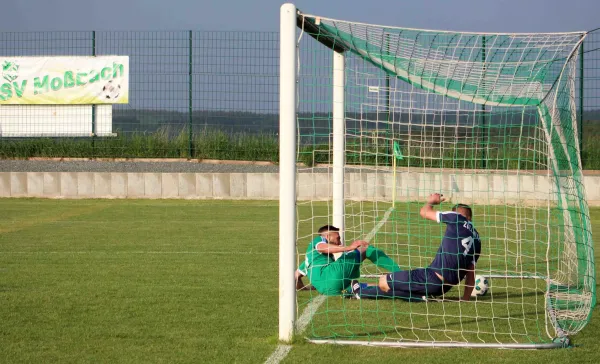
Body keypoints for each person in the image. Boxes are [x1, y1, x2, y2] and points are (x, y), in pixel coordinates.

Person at [352, 193, 481, 301]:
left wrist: (431, 201)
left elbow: (424, 212)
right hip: (443, 289)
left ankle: (361, 293)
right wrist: (465, 298)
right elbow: (471, 273)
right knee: (402, 287)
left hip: (431, 277)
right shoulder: (477, 239)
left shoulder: (456, 217)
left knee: (383, 281)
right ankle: (362, 291)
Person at [295, 225, 402, 296]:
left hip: (326, 290)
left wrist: (305, 288)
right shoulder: (319, 241)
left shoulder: (310, 260)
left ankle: (393, 288)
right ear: (327, 236)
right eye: (337, 238)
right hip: (331, 275)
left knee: (357, 286)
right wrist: (349, 247)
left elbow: (296, 277)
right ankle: (401, 275)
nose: (339, 241)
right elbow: (322, 247)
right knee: (365, 249)